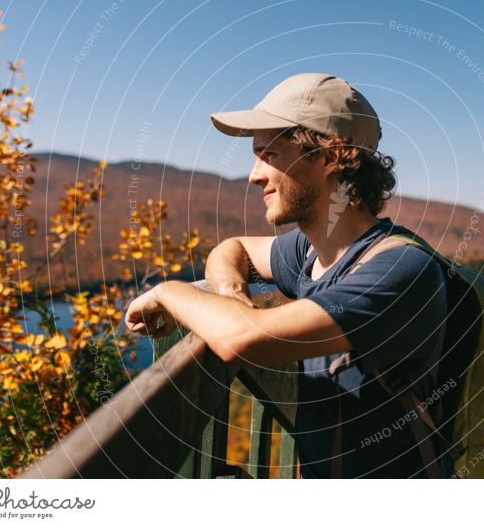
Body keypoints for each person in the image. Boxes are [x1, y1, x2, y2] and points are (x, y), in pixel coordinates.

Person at [125, 73, 454, 478]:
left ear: (330, 157)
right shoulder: (312, 250)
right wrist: (229, 291)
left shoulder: (399, 269)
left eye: (271, 154)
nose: (254, 174)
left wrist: (171, 292)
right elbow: (234, 249)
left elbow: (243, 339)